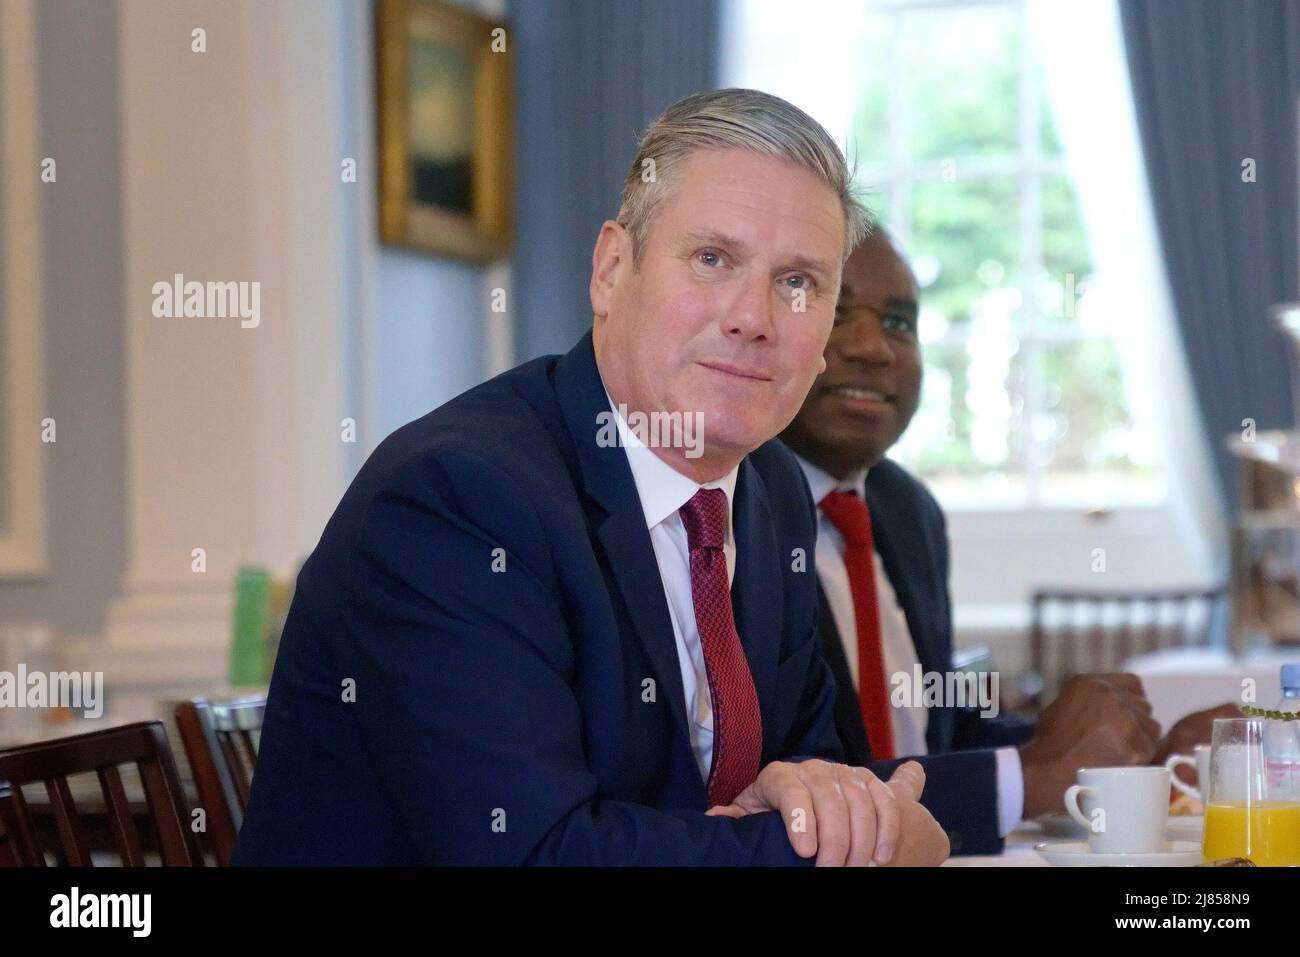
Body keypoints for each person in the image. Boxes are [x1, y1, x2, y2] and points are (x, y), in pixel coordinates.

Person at [233, 89, 950, 866]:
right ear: (611, 269)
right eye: (713, 259)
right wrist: (859, 844)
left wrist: (834, 806)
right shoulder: (455, 498)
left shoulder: (771, 488)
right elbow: (539, 852)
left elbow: (812, 772)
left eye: (799, 282)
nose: (754, 317)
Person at [779, 227, 1237, 854]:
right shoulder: (730, 512)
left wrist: (1122, 759)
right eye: (838, 313)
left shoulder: (906, 510)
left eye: (899, 322)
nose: (874, 347)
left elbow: (934, 735)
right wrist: (1034, 772)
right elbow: (790, 781)